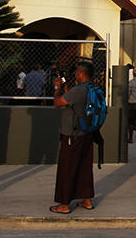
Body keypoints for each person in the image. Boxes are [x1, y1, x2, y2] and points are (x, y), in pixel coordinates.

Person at [50, 61, 95, 214]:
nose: (75, 74)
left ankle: (64, 204)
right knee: (84, 167)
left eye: (77, 72)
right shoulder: (92, 88)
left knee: (67, 168)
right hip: (87, 133)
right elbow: (74, 101)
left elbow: (58, 103)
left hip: (72, 135)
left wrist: (57, 88)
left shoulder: (79, 90)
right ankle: (86, 199)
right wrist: (65, 89)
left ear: (82, 73)